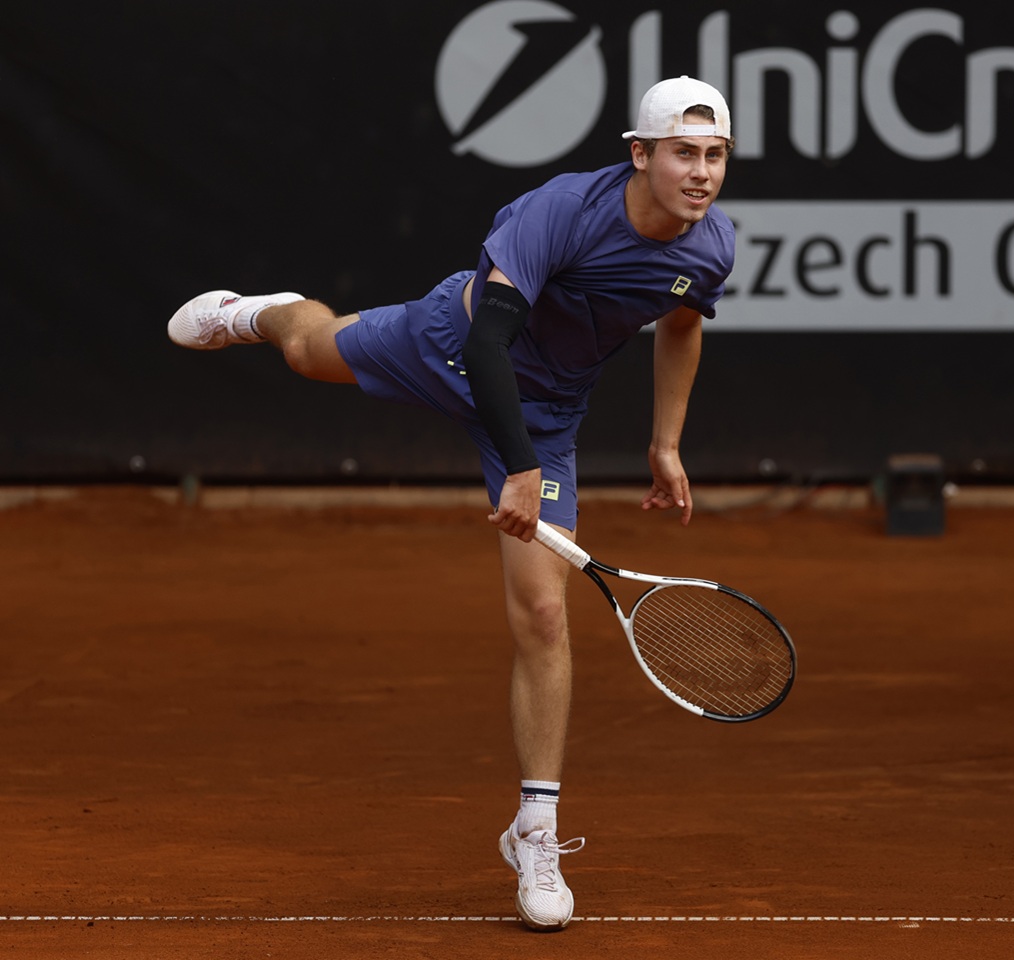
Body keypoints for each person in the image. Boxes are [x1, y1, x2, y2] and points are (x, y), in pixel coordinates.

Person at [167, 75, 735, 931]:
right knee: (309, 352)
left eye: (716, 156)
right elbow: (489, 337)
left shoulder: (710, 249)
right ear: (640, 155)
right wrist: (517, 469)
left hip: (546, 414)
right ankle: (264, 313)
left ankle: (534, 830)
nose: (701, 173)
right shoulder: (560, 213)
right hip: (450, 348)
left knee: (543, 612)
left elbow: (683, 322)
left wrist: (665, 441)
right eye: (684, 154)